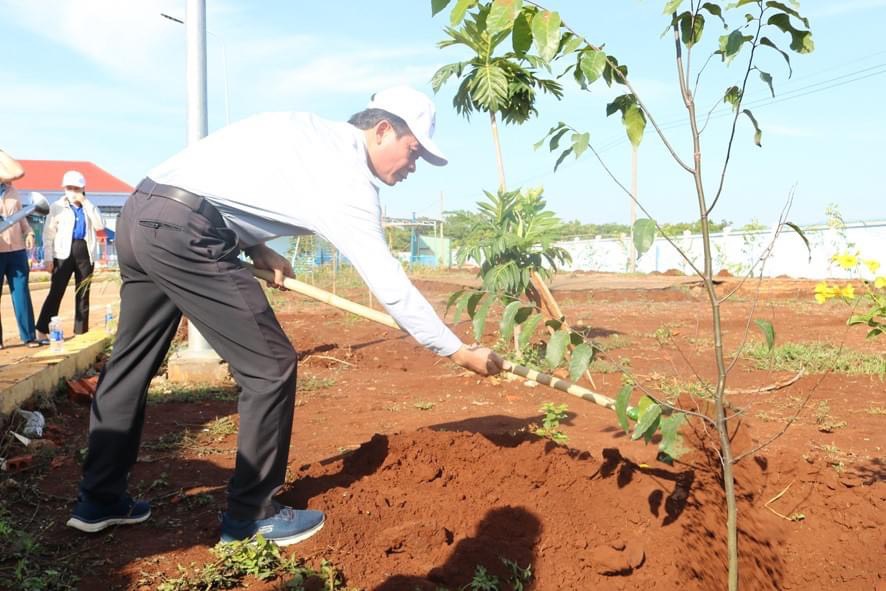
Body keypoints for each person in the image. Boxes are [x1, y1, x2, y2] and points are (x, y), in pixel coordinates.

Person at [66, 86, 504, 545]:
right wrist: (455, 350)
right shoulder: (348, 181)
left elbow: (224, 180)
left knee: (132, 363)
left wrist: (255, 246)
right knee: (270, 366)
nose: (412, 167)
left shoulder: (303, 127)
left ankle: (99, 501)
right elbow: (390, 286)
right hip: (187, 234)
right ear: (382, 131)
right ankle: (252, 517)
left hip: (143, 213)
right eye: (413, 153)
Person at [35, 170, 105, 343]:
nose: (72, 191)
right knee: (56, 291)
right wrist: (49, 257)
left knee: (83, 292)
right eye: (69, 188)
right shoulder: (56, 207)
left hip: (84, 251)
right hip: (62, 253)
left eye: (76, 188)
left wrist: (86, 203)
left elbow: (99, 225)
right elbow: (48, 234)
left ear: (82, 189)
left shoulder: (89, 207)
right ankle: (42, 330)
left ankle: (81, 331)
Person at [0, 149, 39, 348]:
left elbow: (19, 215)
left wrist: (29, 232)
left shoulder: (11, 189)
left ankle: (29, 336)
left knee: (21, 292)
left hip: (16, 250)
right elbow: (16, 172)